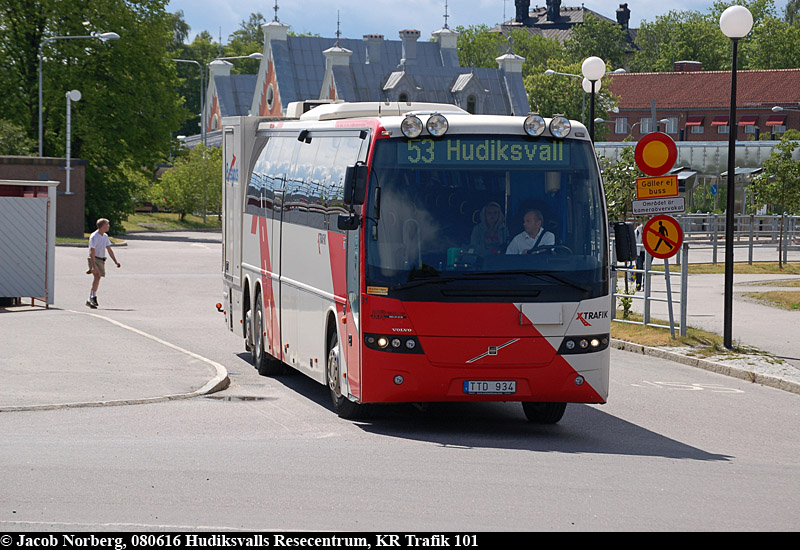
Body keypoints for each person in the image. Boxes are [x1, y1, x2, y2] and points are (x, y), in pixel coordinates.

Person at [86, 218, 120, 308]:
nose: (109, 226)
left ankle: (89, 299)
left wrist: (115, 261)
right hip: (93, 259)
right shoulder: (94, 236)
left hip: (101, 260)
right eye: (107, 224)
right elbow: (92, 252)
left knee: (98, 277)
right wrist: (93, 266)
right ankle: (93, 297)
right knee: (97, 276)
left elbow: (109, 249)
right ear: (103, 226)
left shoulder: (105, 236)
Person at [634, 219, 645, 290]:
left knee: (647, 269)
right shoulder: (637, 231)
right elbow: (634, 241)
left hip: (648, 252)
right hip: (639, 252)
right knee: (639, 268)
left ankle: (645, 286)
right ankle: (638, 285)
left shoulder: (651, 229)